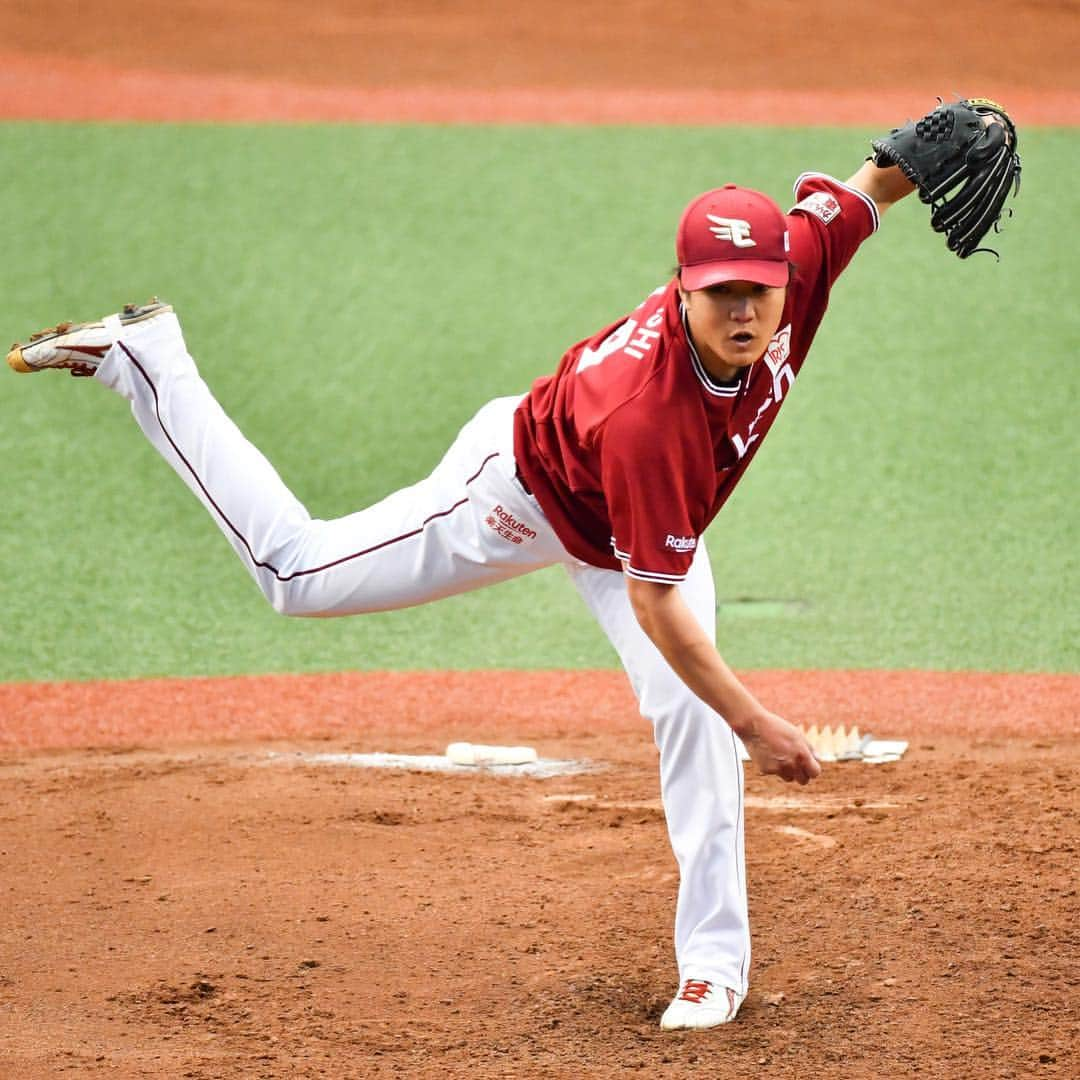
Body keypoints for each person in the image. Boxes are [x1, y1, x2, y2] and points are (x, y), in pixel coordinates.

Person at [8, 145, 919, 1030]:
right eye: (721, 292)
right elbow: (658, 606)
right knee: (296, 574)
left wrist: (933, 139)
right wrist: (756, 722)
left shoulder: (795, 266)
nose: (744, 310)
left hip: (634, 522)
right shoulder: (650, 419)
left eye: (756, 289)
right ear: (683, 286)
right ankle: (150, 363)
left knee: (692, 714)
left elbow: (869, 187)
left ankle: (712, 971)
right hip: (515, 497)